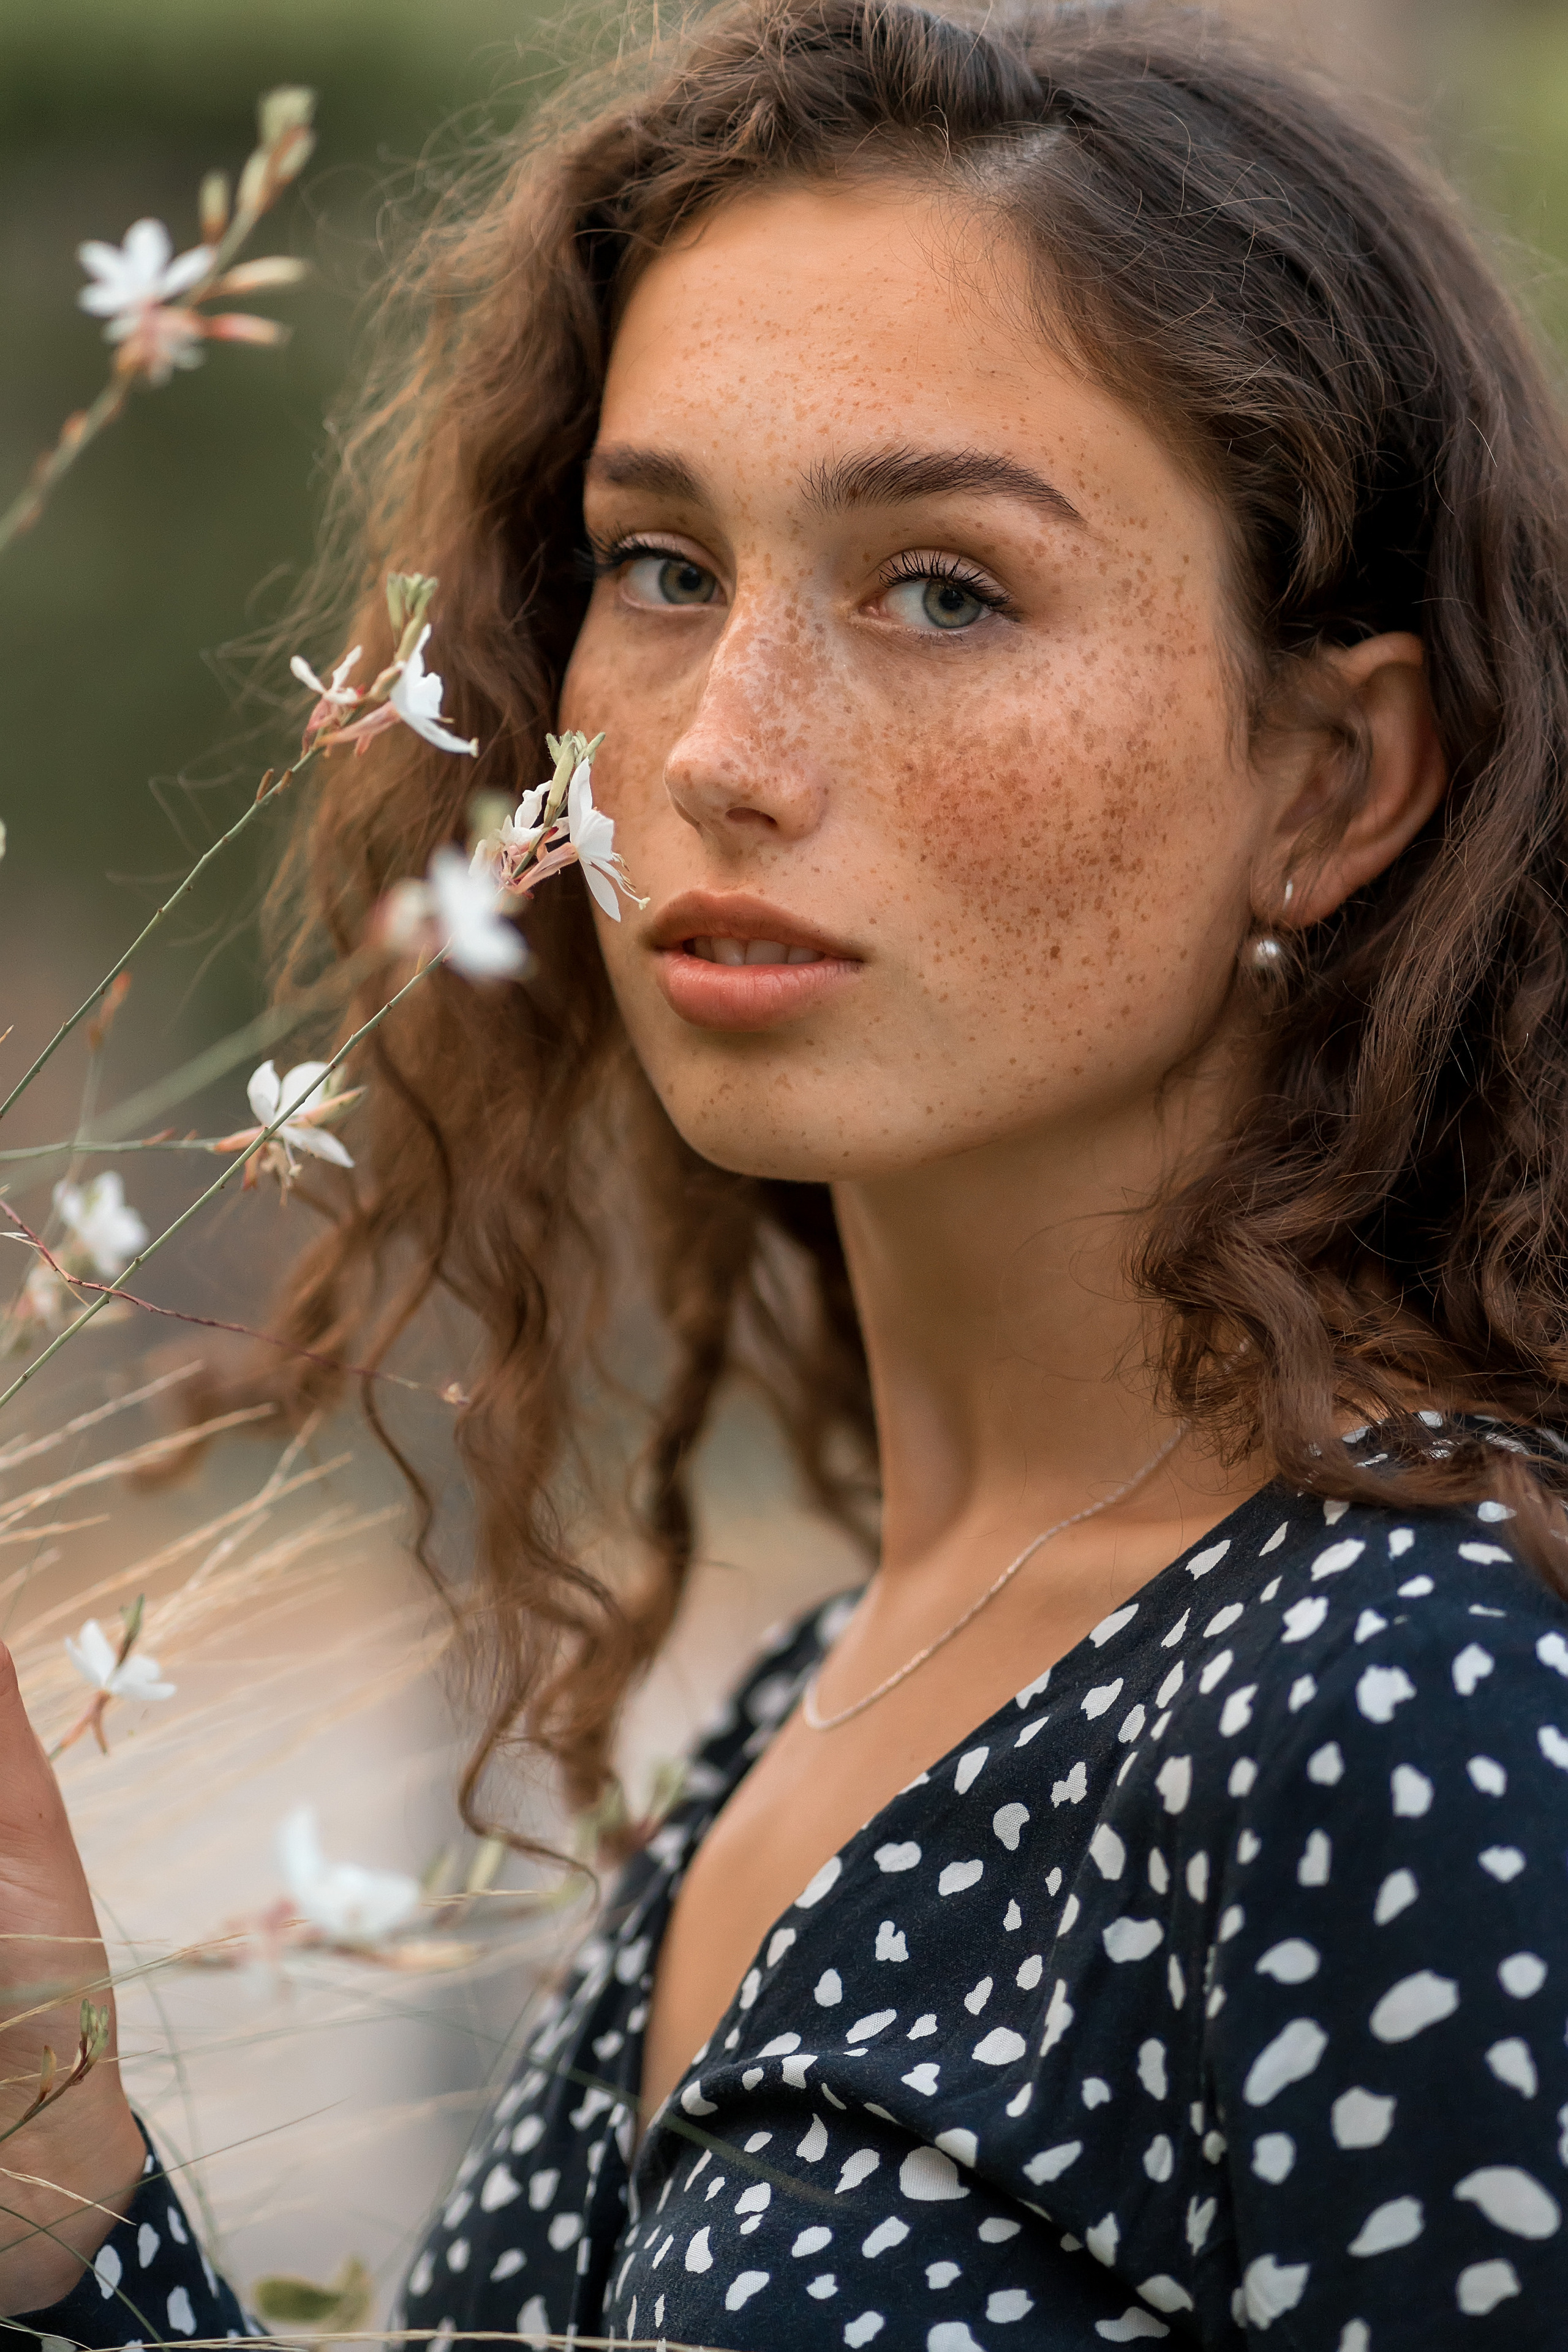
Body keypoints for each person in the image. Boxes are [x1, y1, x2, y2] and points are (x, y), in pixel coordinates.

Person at [7, 0, 1568, 2341]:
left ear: (1334, 776)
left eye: (943, 587)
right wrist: (49, 2174)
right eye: (661, 566)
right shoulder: (843, 1689)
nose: (722, 751)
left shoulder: (1412, 1695)